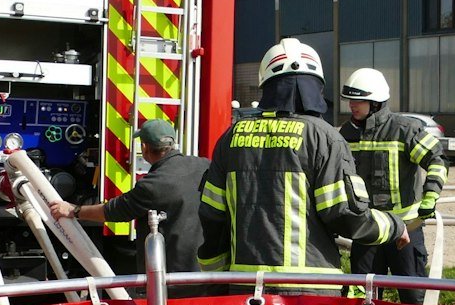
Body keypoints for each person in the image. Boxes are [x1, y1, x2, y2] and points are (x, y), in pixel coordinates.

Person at [198, 39, 405, 291]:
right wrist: (395, 226)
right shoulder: (324, 137)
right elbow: (344, 215)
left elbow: (211, 215)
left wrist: (219, 278)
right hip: (311, 290)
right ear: (316, 86)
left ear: (266, 83)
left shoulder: (231, 138)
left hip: (245, 286)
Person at [339, 68, 447, 302]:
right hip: (367, 232)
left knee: (413, 299)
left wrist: (431, 195)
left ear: (376, 102)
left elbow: (437, 160)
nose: (352, 105)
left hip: (406, 231)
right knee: (362, 299)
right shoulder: (346, 134)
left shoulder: (405, 130)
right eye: (350, 100)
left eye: (358, 100)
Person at [51, 118, 206, 273]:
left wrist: (74, 210)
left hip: (174, 278)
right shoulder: (205, 166)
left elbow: (113, 211)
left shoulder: (153, 184)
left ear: (144, 147)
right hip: (209, 272)